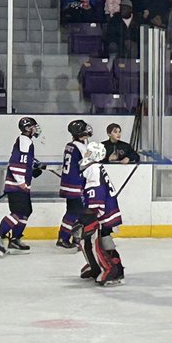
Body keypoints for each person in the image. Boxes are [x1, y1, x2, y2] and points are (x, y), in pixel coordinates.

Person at [0, 117, 43, 256]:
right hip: (17, 185)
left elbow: (23, 160)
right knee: (18, 212)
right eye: (34, 126)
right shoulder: (25, 141)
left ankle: (15, 239)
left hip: (20, 184)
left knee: (26, 211)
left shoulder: (25, 141)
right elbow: (16, 164)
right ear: (28, 129)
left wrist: (34, 164)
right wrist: (21, 181)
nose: (36, 129)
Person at [78, 139, 125, 286]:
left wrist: (92, 211)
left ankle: (109, 269)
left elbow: (96, 191)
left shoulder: (93, 168)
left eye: (89, 151)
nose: (86, 153)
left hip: (101, 211)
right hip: (108, 209)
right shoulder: (95, 167)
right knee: (104, 237)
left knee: (92, 240)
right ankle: (102, 267)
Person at [55, 119, 92, 249]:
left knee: (71, 211)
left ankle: (64, 237)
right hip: (75, 185)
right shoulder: (81, 147)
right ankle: (68, 238)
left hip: (67, 183)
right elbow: (85, 166)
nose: (87, 130)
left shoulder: (70, 145)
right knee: (78, 212)